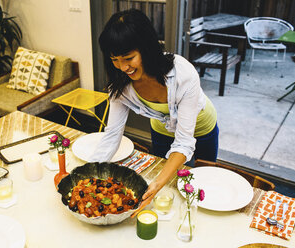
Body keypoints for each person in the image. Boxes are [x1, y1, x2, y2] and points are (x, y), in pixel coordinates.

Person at [89, 9, 218, 217]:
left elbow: (184, 143)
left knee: (203, 191)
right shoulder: (120, 84)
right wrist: (90, 173)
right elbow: (112, 134)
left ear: (146, 48)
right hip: (161, 131)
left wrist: (156, 184)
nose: (122, 67)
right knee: (165, 190)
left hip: (202, 130)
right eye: (114, 59)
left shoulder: (183, 74)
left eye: (128, 58)